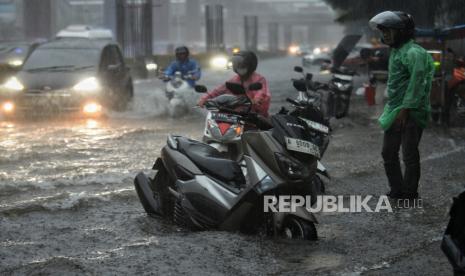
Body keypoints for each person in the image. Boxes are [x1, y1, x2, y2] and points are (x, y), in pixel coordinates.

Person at [369, 11, 435, 199]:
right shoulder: (396, 51)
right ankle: (397, 189)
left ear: (402, 31)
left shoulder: (414, 53)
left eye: (389, 31)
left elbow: (417, 83)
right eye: (383, 32)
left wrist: (406, 110)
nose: (385, 35)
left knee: (409, 154)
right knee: (388, 152)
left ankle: (410, 192)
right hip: (395, 109)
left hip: (412, 111)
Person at [198, 51, 271, 118]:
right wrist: (205, 98)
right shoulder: (234, 80)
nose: (239, 68)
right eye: (237, 65)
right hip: (237, 115)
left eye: (242, 65)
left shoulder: (259, 79)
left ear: (250, 65)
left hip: (256, 115)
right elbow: (218, 90)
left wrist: (255, 100)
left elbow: (261, 93)